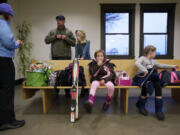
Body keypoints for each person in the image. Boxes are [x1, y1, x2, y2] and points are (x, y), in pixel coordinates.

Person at [133, 45, 178, 121]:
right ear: (150, 52)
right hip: (143, 77)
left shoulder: (152, 61)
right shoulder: (143, 58)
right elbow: (137, 63)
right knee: (145, 84)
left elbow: (160, 65)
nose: (155, 54)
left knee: (157, 84)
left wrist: (172, 66)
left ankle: (159, 110)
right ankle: (141, 105)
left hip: (152, 77)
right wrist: (145, 70)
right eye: (155, 52)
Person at [0, 3, 25, 131]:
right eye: (11, 16)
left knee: (2, 91)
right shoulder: (2, 24)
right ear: (8, 15)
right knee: (7, 91)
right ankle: (7, 121)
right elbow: (8, 42)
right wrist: (17, 42)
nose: (12, 19)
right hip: (4, 61)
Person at [45, 14, 76, 97]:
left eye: (61, 20)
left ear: (64, 21)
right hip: (55, 56)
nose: (59, 22)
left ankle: (67, 92)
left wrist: (65, 38)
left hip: (66, 56)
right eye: (58, 20)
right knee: (54, 74)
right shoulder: (52, 31)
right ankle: (56, 91)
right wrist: (55, 37)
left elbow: (74, 43)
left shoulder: (69, 32)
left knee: (67, 75)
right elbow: (46, 40)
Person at [75, 30, 91, 97]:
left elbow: (85, 51)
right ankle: (83, 89)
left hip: (87, 60)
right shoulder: (76, 43)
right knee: (81, 75)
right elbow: (76, 53)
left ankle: (86, 90)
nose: (77, 37)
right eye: (76, 36)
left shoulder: (87, 42)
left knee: (87, 75)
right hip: (81, 60)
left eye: (78, 36)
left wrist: (82, 57)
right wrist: (75, 59)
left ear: (82, 36)